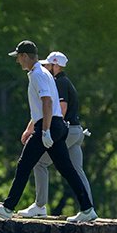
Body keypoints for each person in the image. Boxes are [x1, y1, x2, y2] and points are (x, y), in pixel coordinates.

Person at [0, 40, 98, 222]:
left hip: (49, 125)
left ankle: (7, 207)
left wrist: (44, 131)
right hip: (58, 125)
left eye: (18, 58)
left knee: (24, 165)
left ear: (25, 56)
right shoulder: (44, 72)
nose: (18, 62)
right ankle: (87, 209)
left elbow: (47, 102)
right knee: (66, 169)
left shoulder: (37, 74)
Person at [18, 49, 91, 217]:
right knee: (76, 170)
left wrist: (49, 130)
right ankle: (89, 208)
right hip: (77, 130)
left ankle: (40, 205)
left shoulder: (59, 82)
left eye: (49, 64)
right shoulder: (65, 81)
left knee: (40, 163)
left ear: (56, 65)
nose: (46, 67)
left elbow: (59, 109)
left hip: (67, 131)